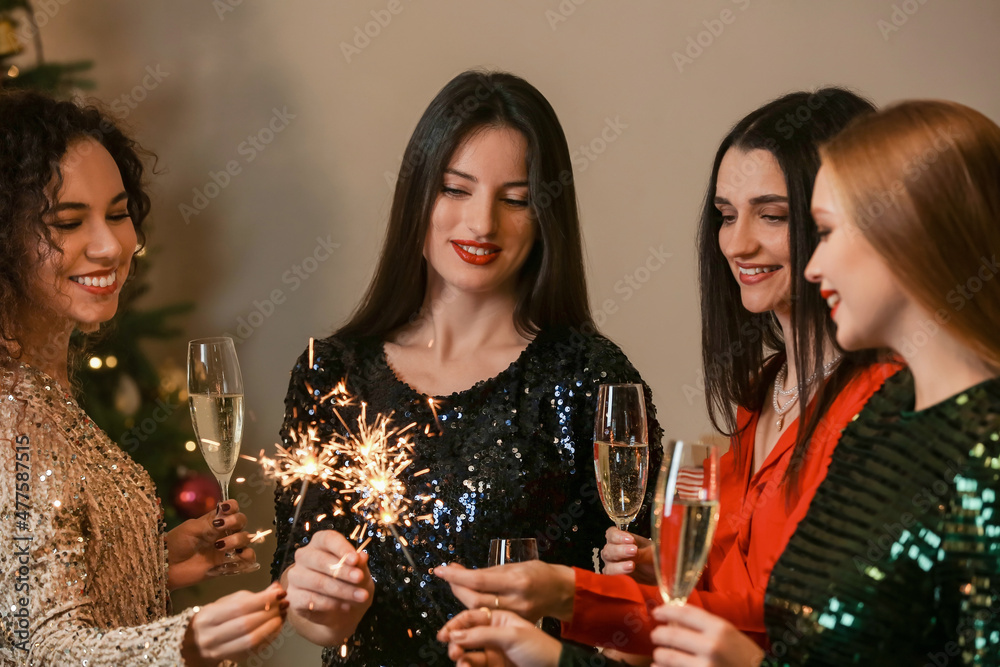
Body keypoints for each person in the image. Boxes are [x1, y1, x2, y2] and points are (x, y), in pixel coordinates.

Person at [436, 88, 902, 665]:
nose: (737, 243)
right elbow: (713, 617)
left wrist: (569, 597)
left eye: (773, 215)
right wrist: (654, 581)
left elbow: (800, 627)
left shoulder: (884, 406)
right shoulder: (761, 394)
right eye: (727, 216)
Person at [270, 69, 662, 666]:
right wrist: (324, 604)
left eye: (516, 200)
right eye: (456, 190)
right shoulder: (332, 372)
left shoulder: (592, 379)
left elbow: (635, 627)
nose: (482, 224)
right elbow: (302, 606)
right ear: (417, 195)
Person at [648, 99, 1000, 666]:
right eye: (726, 214)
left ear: (911, 236)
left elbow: (780, 628)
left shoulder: (904, 419)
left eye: (822, 229)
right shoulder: (775, 395)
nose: (736, 244)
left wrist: (583, 602)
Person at [0, 91, 286, 666]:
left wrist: (155, 562)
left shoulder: (41, 385)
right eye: (68, 221)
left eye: (118, 213)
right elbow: (36, 647)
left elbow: (29, 592)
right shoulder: (11, 418)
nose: (111, 246)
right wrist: (186, 642)